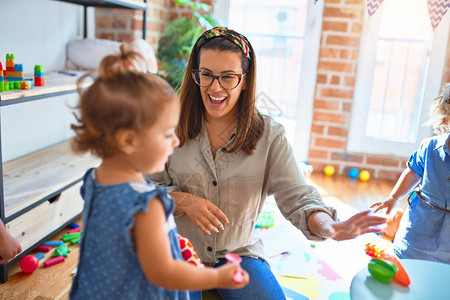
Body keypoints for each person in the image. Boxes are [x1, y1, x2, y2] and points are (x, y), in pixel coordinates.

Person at [149, 27, 387, 299]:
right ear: (196, 75)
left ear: (246, 80)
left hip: (237, 254)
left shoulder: (270, 136)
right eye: (206, 75)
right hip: (176, 251)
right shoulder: (167, 125)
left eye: (228, 77)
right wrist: (184, 201)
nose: (215, 87)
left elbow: (298, 198)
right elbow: (140, 190)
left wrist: (329, 226)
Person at [69, 44, 249, 299]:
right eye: (167, 135)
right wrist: (217, 277)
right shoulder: (146, 205)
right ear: (129, 141)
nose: (175, 142)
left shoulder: (94, 181)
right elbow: (164, 272)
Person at [372, 84, 450, 262]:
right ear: (446, 117)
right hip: (418, 232)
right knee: (404, 262)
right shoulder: (430, 147)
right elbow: (413, 173)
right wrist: (393, 197)